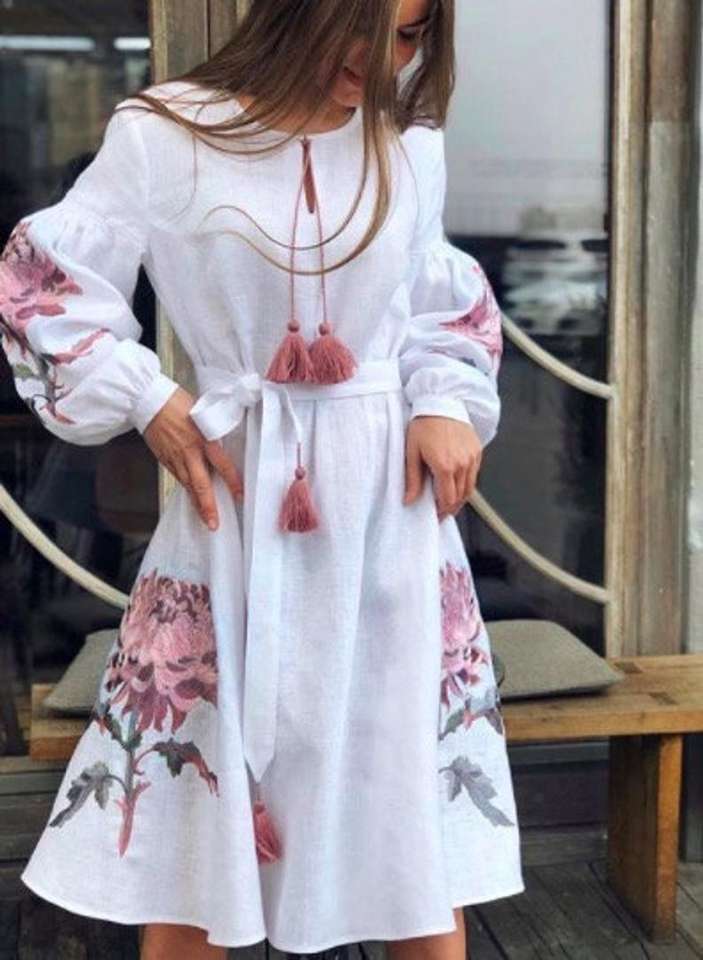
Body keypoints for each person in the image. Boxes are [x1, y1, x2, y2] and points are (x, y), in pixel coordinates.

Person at [0, 0, 525, 957]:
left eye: (411, 35)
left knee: (407, 810)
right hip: (236, 502)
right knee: (199, 821)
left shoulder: (408, 144)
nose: (384, 59)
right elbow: (44, 283)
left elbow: (432, 299)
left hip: (385, 511)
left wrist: (444, 400)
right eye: (365, 27)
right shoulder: (166, 133)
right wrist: (149, 398)